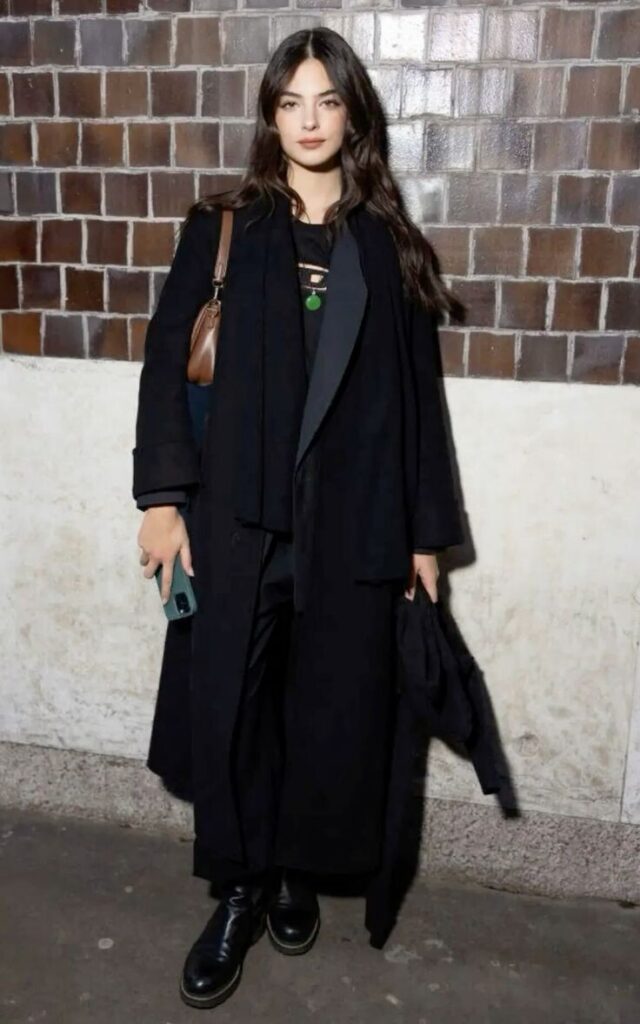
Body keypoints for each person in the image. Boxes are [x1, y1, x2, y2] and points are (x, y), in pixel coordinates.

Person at [133, 26, 464, 1010]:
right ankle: (237, 889)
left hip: (352, 530)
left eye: (326, 101)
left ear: (352, 114)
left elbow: (417, 400)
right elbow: (164, 365)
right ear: (270, 116)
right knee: (233, 711)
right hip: (238, 520)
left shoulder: (385, 241)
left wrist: (424, 534)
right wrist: (163, 501)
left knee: (328, 714)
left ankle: (293, 875)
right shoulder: (225, 226)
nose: (309, 121)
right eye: (291, 103)